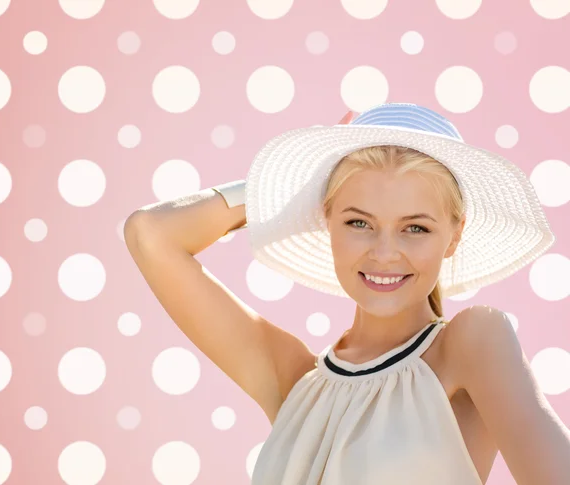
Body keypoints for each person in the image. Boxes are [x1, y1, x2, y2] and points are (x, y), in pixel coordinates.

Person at [123, 103, 570, 484]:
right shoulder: (295, 380)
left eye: (416, 228)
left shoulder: (473, 341)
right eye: (359, 221)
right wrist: (289, 187)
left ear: (454, 237)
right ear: (326, 219)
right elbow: (151, 234)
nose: (384, 253)